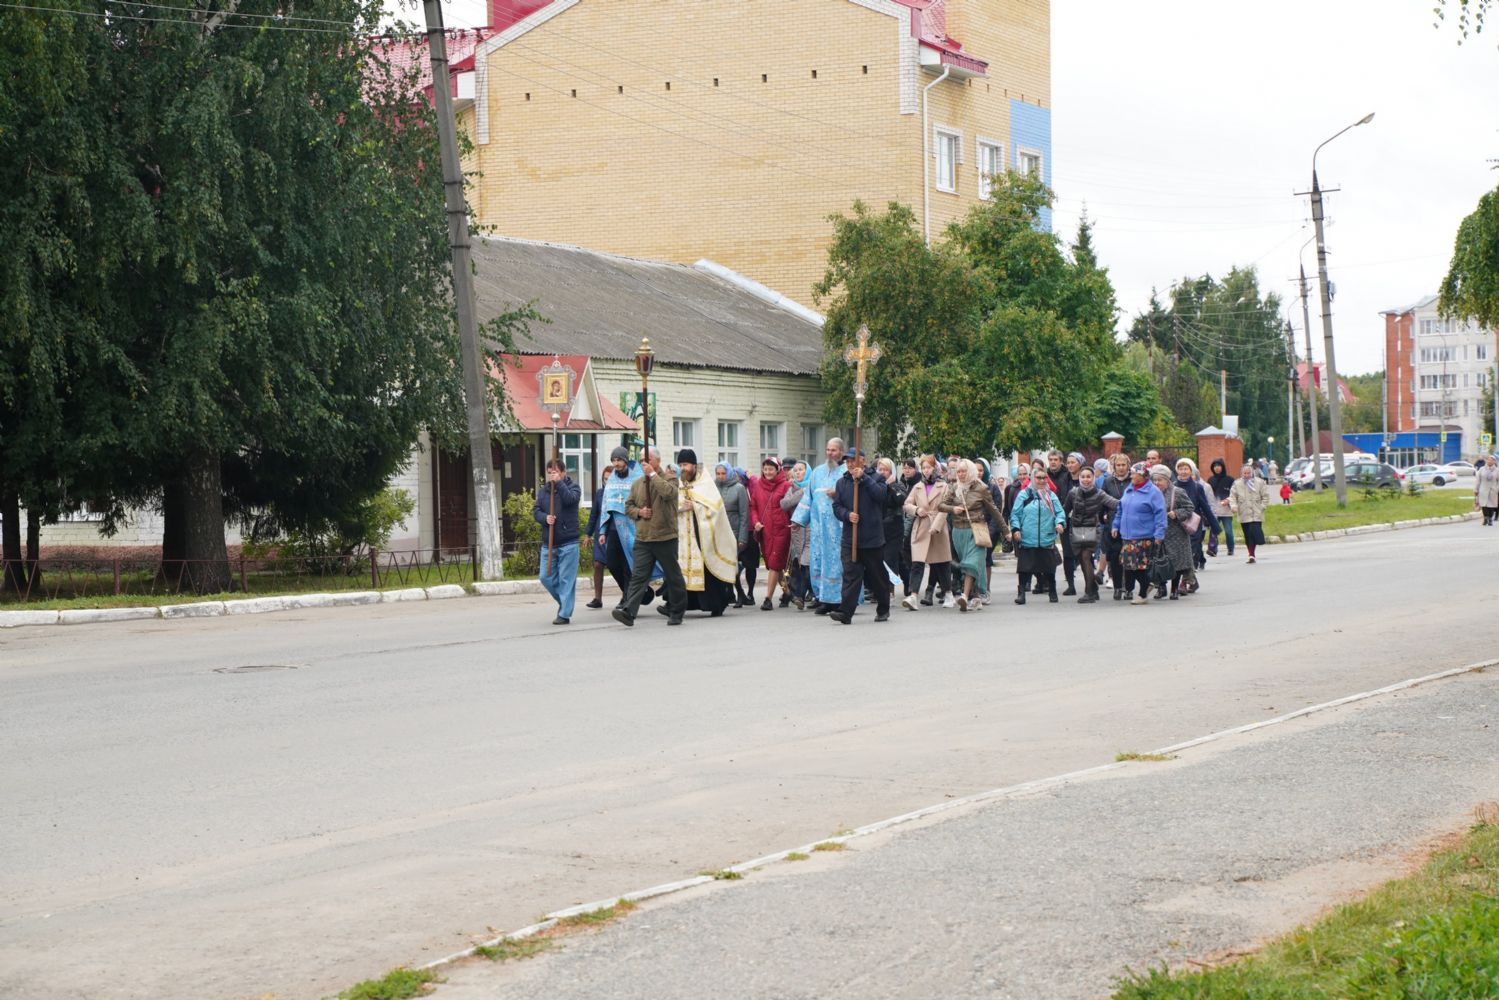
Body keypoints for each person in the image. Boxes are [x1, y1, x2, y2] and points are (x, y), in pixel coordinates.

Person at [613, 449, 688, 626]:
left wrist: (653, 475)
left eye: (647, 459)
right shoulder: (638, 483)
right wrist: (639, 512)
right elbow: (628, 506)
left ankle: (676, 611)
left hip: (665, 537)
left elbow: (668, 493)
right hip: (643, 538)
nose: (643, 463)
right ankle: (629, 611)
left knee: (672, 576)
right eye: (641, 460)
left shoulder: (670, 478)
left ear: (658, 460)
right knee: (638, 576)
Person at [673, 450, 739, 617]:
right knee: (683, 571)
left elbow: (715, 509)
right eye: (680, 465)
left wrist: (695, 506)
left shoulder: (705, 483)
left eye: (686, 465)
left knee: (708, 571)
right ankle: (679, 605)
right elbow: (673, 505)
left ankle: (716, 605)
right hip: (685, 538)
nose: (683, 468)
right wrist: (681, 506)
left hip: (703, 536)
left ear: (694, 466)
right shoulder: (679, 483)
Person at [830, 451, 891, 624]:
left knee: (877, 576)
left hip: (872, 538)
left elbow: (881, 496)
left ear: (862, 461)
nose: (850, 464)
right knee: (851, 575)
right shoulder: (842, 482)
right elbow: (836, 507)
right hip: (851, 539)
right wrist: (847, 514)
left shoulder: (877, 478)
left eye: (853, 461)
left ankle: (883, 609)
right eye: (848, 461)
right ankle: (845, 612)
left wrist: (864, 478)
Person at [941, 459, 1004, 611]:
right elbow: (941, 505)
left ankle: (964, 595)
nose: (961, 474)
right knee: (967, 564)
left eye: (964, 471)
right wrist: (952, 509)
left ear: (970, 471)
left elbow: (994, 511)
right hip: (958, 532)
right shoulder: (954, 487)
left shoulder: (981, 488)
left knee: (971, 563)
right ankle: (976, 597)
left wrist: (1006, 530)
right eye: (959, 471)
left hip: (976, 530)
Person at [599, 446, 657, 610]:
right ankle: (632, 592)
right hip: (614, 528)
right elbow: (606, 504)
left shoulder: (637, 476)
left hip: (633, 527)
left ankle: (627, 598)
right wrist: (602, 531)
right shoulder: (612, 479)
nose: (616, 464)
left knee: (628, 565)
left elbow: (644, 500)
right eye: (613, 460)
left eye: (619, 460)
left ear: (625, 460)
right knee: (612, 563)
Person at [1010, 459, 1067, 604]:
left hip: (1046, 537)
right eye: (1038, 478)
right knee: (1024, 568)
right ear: (1032, 478)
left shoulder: (1051, 496)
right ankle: (1021, 593)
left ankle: (1052, 591)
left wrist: (1060, 523)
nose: (1042, 481)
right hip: (1027, 538)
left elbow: (1060, 513)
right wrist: (1016, 529)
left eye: (1044, 478)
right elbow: (1015, 514)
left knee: (1049, 568)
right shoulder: (1024, 495)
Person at [532, 459, 581, 625]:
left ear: (563, 472)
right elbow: (536, 510)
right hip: (549, 542)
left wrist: (559, 483)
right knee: (545, 577)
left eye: (556, 472)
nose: (552, 476)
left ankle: (564, 614)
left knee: (566, 580)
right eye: (550, 473)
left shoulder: (574, 488)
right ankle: (565, 602)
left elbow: (570, 500)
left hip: (569, 542)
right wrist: (545, 518)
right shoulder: (543, 491)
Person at [902, 454, 953, 610]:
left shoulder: (943, 486)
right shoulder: (918, 487)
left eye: (929, 467)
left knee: (941, 563)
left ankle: (948, 594)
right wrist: (917, 510)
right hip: (922, 527)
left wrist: (936, 526)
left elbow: (945, 508)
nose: (926, 470)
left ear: (935, 468)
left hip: (938, 529)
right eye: (923, 468)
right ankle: (913, 596)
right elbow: (906, 504)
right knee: (917, 563)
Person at [803, 437, 847, 615]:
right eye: (828, 450)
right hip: (818, 526)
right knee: (818, 560)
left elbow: (854, 496)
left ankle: (838, 600)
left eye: (833, 450)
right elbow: (808, 496)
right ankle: (822, 598)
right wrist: (798, 520)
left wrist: (839, 493)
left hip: (838, 527)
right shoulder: (817, 472)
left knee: (836, 563)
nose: (830, 453)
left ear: (841, 452)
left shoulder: (846, 471)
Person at [1113, 462, 1167, 606]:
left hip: (1144, 535)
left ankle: (1143, 593)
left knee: (1139, 567)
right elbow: (1120, 509)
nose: (1131, 476)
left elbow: (1160, 514)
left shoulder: (1153, 492)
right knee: (1128, 565)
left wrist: (1159, 534)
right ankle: (1147, 585)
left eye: (1134, 473)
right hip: (1127, 535)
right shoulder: (1129, 489)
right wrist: (1115, 525)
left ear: (1143, 475)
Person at [1064, 464, 1118, 604]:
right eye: (1083, 477)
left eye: (1089, 477)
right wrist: (1059, 523)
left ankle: (1089, 593)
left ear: (1093, 478)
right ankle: (1093, 588)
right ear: (1079, 478)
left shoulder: (1100, 494)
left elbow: (1116, 504)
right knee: (1083, 561)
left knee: (1086, 556)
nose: (1086, 479)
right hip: (1076, 530)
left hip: (1093, 529)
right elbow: (1064, 510)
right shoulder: (1073, 493)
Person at [749, 457, 793, 610]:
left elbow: (792, 507)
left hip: (782, 530)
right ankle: (787, 592)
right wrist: (755, 522)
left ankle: (768, 599)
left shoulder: (786, 486)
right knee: (775, 565)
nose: (767, 472)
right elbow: (753, 506)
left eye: (771, 469)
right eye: (765, 469)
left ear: (778, 470)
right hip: (765, 531)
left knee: (774, 563)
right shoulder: (758, 486)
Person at [1154, 464, 1196, 600]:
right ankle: (1161, 588)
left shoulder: (1177, 492)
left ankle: (1174, 589)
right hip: (1158, 533)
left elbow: (1189, 507)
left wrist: (1176, 513)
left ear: (1167, 480)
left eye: (1160, 480)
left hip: (1176, 534)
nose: (1156, 483)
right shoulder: (1152, 493)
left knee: (1176, 564)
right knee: (1158, 561)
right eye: (1155, 480)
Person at [1174, 458, 1218, 587]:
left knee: (1190, 554)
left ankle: (1183, 583)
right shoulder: (1173, 486)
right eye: (1181, 469)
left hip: (1193, 525)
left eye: (1186, 469)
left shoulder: (1197, 487)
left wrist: (1214, 525)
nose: (1183, 472)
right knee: (1180, 555)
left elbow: (1205, 506)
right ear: (1177, 471)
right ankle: (1192, 582)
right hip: (1177, 525)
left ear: (1191, 471)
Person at [716, 463, 753, 607]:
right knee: (723, 564)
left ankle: (740, 594)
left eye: (723, 473)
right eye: (718, 474)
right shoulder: (714, 487)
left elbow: (744, 515)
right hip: (719, 532)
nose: (720, 476)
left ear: (729, 473)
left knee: (732, 564)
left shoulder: (739, 488)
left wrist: (743, 537)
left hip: (734, 532)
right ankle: (732, 594)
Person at [1100, 453, 1132, 599]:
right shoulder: (1108, 481)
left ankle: (1129, 587)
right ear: (1114, 466)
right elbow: (1102, 500)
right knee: (1114, 557)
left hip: (1131, 523)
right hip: (1113, 523)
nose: (1121, 468)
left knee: (1130, 557)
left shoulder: (1133, 480)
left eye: (1123, 465)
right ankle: (1118, 586)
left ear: (1128, 466)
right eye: (1118, 465)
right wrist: (1103, 517)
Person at [876, 457, 910, 595]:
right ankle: (908, 582)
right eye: (880, 469)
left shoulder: (898, 485)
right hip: (879, 526)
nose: (882, 472)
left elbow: (902, 500)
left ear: (891, 471)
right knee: (897, 559)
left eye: (885, 470)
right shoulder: (875, 485)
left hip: (894, 526)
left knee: (890, 558)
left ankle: (889, 590)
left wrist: (890, 487)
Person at [782, 461, 812, 608]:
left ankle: (801, 595)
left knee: (806, 564)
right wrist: (801, 492)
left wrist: (805, 491)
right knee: (797, 565)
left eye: (801, 470)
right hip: (796, 532)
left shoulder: (813, 486)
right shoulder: (793, 488)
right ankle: (801, 595)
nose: (798, 472)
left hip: (811, 529)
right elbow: (784, 504)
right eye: (796, 470)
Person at [1229, 461, 1271, 564]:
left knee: (1253, 533)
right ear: (1241, 473)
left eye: (1248, 473)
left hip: (1256, 513)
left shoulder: (1260, 482)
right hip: (1244, 512)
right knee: (1247, 534)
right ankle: (1250, 553)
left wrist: (1262, 507)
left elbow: (1265, 496)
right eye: (1245, 473)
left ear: (1252, 473)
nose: (1247, 475)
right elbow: (1232, 497)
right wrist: (1233, 506)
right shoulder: (1237, 483)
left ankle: (1252, 554)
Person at [582, 481, 607, 609]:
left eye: (609, 478)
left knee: (618, 567)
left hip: (614, 534)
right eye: (605, 479)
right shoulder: (599, 493)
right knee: (598, 564)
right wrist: (588, 534)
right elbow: (594, 514)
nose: (607, 481)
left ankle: (625, 596)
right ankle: (598, 598)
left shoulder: (619, 492)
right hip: (599, 534)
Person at [1206, 458, 1237, 557]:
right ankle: (1212, 549)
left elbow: (1234, 493)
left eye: (1219, 466)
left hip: (1226, 510)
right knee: (1214, 531)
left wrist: (1228, 500)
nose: (1217, 468)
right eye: (1215, 466)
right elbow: (1207, 494)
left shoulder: (1230, 479)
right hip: (1214, 510)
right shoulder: (1210, 480)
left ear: (1223, 467)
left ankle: (1231, 548)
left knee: (1228, 531)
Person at [1476, 455, 1499, 525]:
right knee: (1484, 505)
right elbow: (1478, 480)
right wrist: (1476, 489)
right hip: (1483, 489)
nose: (1490, 461)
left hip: (1493, 490)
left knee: (1491, 505)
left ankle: (1490, 519)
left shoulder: (1497, 470)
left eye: (1491, 460)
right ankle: (1485, 518)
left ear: (1494, 461)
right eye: (1488, 460)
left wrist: (1497, 489)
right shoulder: (1482, 469)